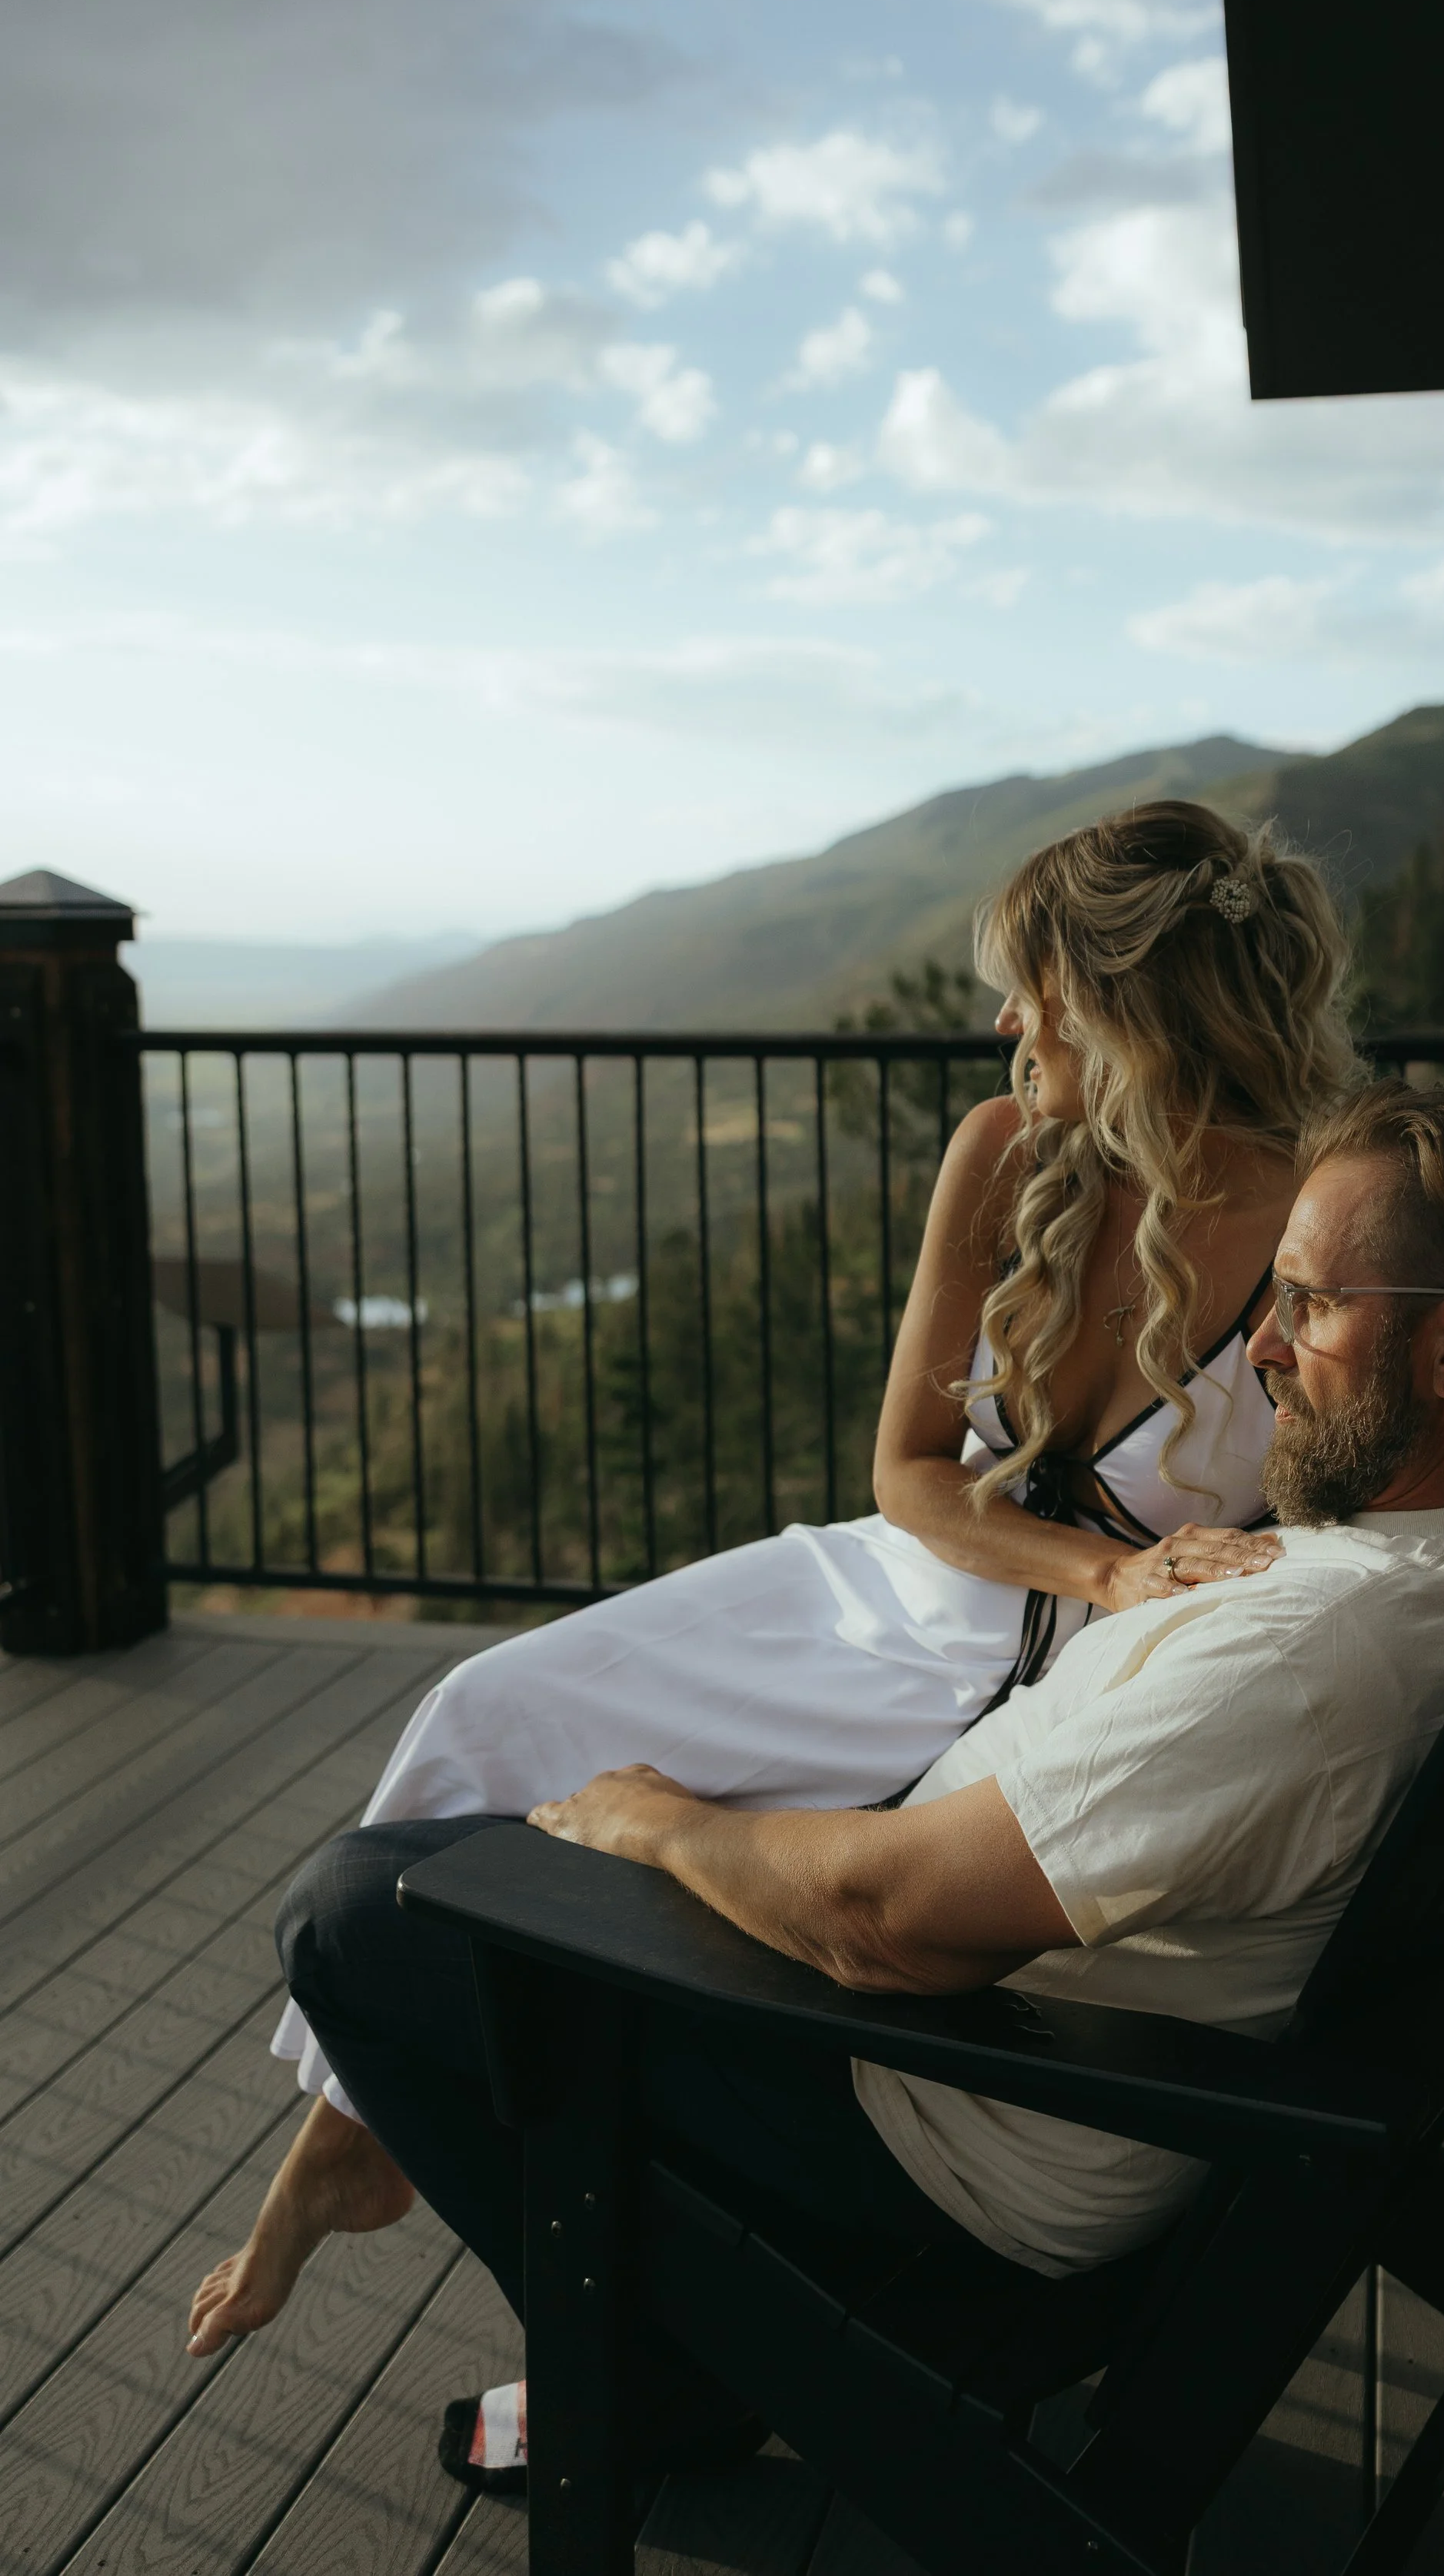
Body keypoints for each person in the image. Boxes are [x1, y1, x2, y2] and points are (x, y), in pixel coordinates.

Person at [241, 1078, 1444, 2498]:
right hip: (1036, 2061)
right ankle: (654, 2368)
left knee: (362, 1907)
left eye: (1314, 1305)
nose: (1261, 1343)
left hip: (953, 2113)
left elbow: (880, 1924)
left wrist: (656, 1822)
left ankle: (643, 2379)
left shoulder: (1328, 1652)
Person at [188, 799, 1358, 2358]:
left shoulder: (1307, 1215)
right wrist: (1103, 1563)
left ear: (1117, 995)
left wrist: (1161, 1605)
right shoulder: (1006, 1152)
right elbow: (908, 1475)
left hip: (1059, 1689)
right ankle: (346, 2137)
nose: (1005, 1021)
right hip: (899, 1591)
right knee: (487, 1699)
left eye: (1032, 984)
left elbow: (1331, 1525)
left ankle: (637, 2312)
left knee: (668, 1875)